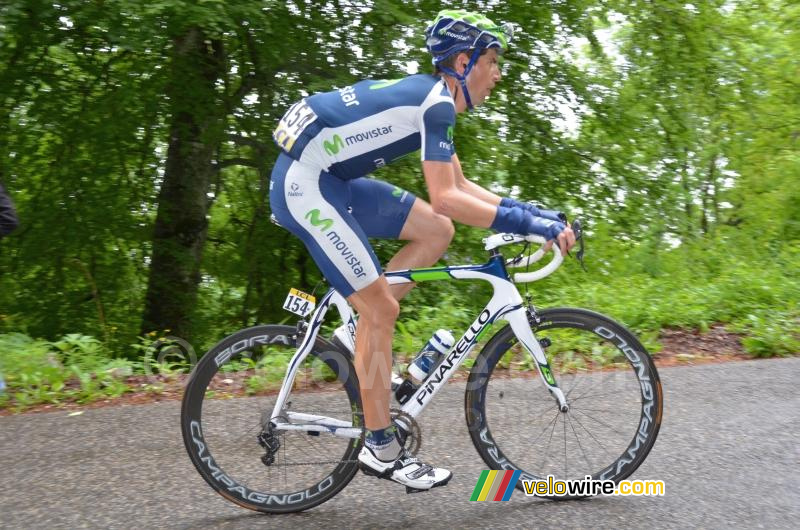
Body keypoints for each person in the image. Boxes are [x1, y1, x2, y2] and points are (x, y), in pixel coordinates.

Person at [269, 9, 575, 492]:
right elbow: (448, 197)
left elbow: (459, 185)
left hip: (332, 180)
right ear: (462, 60)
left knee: (436, 231)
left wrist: (532, 212)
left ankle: (357, 335)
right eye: (492, 60)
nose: (498, 73)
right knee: (382, 310)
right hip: (305, 185)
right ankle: (380, 447)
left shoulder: (435, 101)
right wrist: (528, 223)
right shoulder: (438, 105)